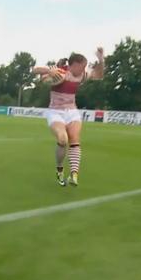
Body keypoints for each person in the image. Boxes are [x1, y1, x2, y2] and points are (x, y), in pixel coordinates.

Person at [32, 47, 105, 187]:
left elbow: (99, 75)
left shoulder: (82, 75)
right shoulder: (61, 72)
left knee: (74, 140)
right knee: (62, 139)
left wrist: (101, 59)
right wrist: (49, 71)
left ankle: (74, 175)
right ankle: (59, 169)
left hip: (72, 111)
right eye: (82, 66)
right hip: (55, 112)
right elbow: (35, 70)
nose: (84, 69)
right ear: (74, 65)